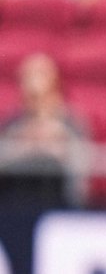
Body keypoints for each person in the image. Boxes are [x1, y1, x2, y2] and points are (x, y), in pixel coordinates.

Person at [0, 51, 90, 207]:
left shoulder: (71, 123)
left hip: (58, 201)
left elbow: (81, 171)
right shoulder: (12, 124)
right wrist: (24, 145)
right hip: (14, 202)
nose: (33, 82)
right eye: (28, 76)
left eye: (40, 74)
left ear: (55, 81)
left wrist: (55, 143)